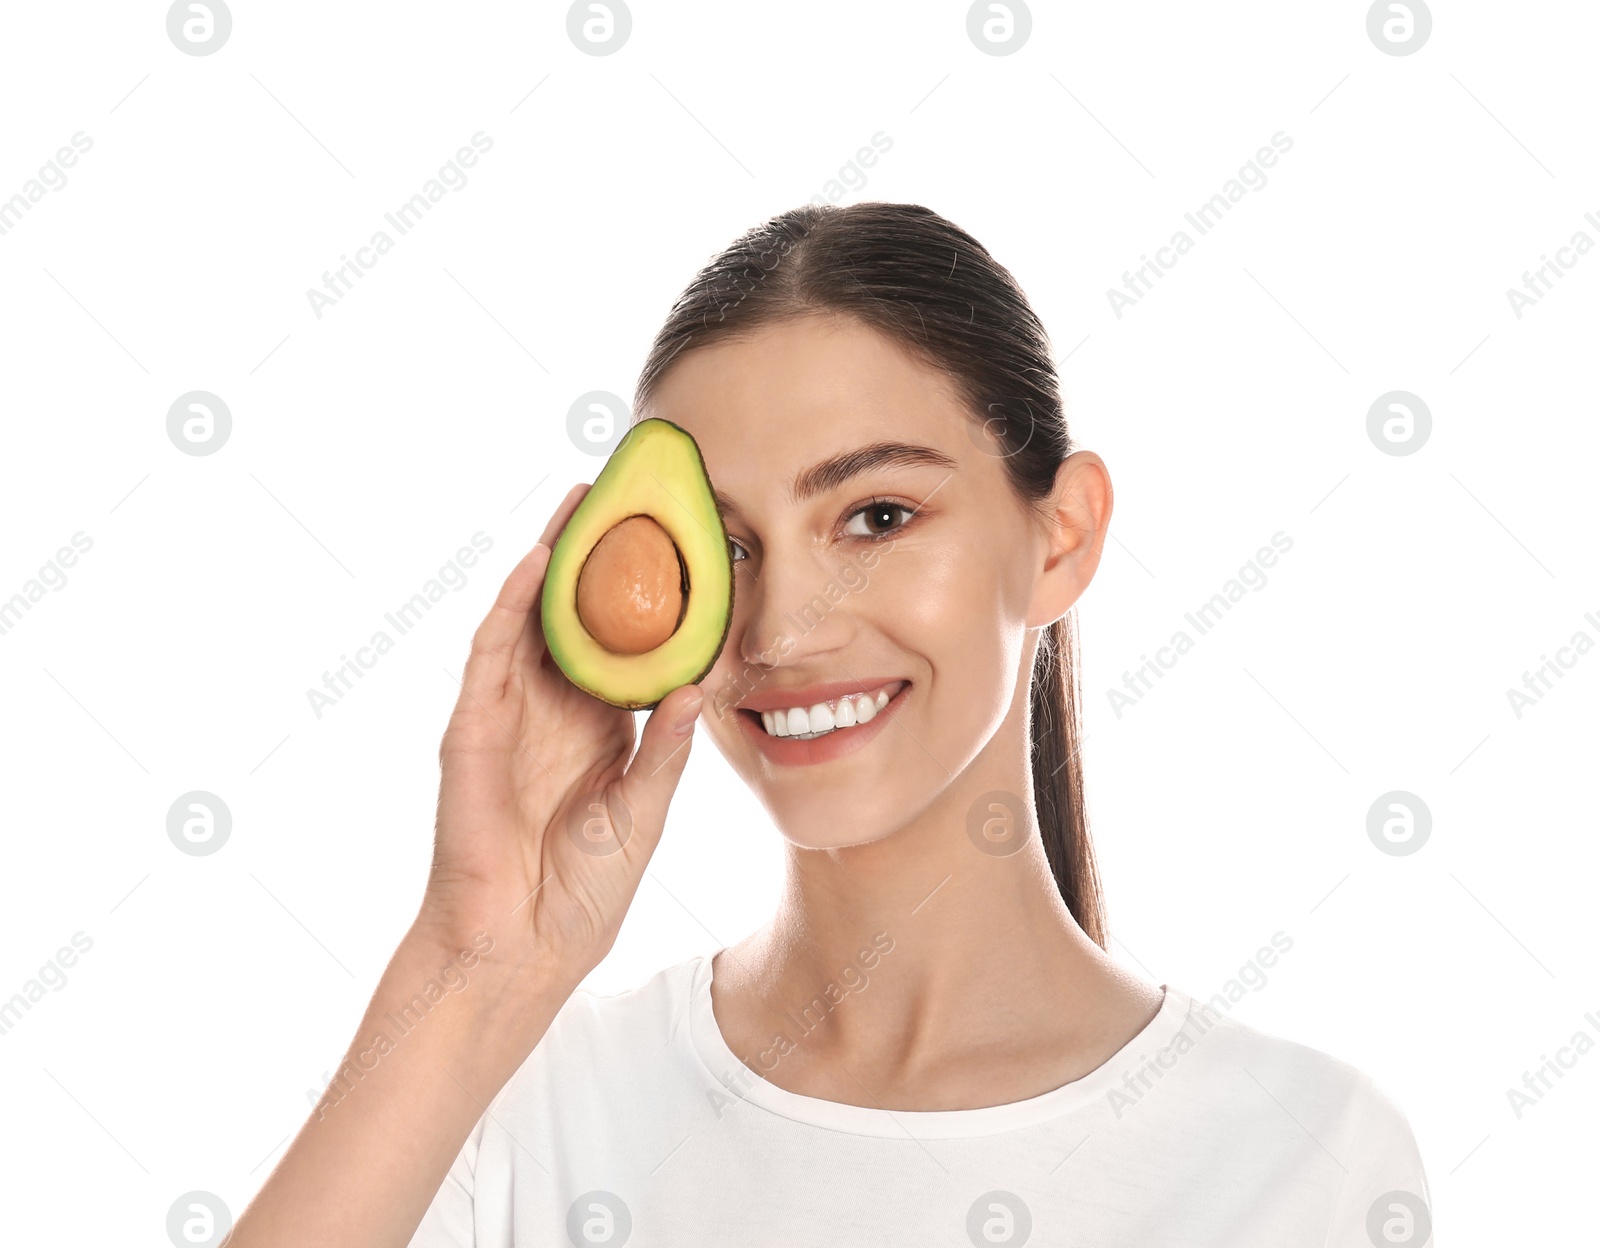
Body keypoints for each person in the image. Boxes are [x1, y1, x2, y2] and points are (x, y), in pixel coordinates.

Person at [228, 202, 1431, 1247]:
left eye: (876, 516)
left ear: (1060, 538)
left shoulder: (1303, 1156)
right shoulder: (518, 1100)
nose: (785, 630)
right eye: (729, 545)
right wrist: (473, 969)